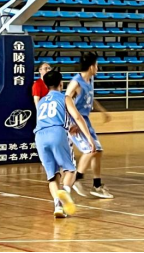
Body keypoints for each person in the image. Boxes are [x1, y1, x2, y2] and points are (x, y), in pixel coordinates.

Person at [35, 70, 96, 218]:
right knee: (70, 170)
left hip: (39, 136)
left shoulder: (41, 101)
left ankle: (58, 206)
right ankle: (66, 192)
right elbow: (78, 117)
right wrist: (89, 138)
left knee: (52, 176)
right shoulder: (64, 98)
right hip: (56, 132)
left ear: (46, 85)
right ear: (61, 84)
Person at [67, 52, 114, 199]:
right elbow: (65, 102)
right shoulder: (76, 83)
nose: (98, 68)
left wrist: (103, 111)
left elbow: (91, 99)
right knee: (90, 150)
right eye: (97, 65)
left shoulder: (89, 81)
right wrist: (72, 122)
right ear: (91, 66)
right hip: (75, 123)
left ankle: (97, 185)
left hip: (85, 121)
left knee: (98, 151)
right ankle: (77, 179)